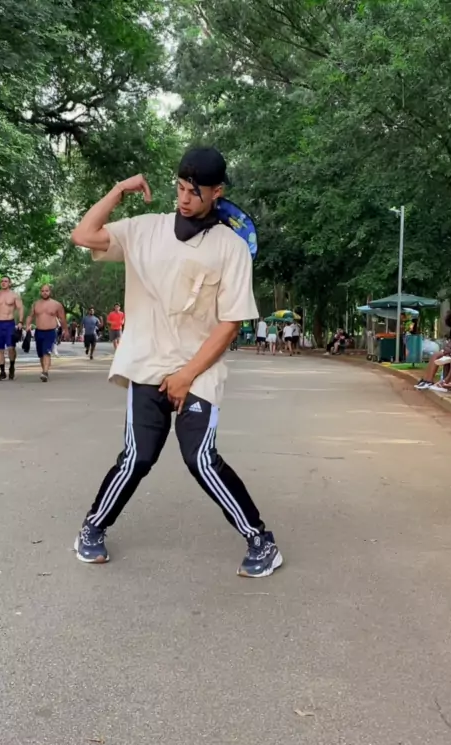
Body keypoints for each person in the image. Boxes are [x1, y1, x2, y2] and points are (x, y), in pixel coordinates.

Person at [70, 147, 282, 578]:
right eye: (180, 188)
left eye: (194, 191)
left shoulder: (231, 247)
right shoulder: (145, 229)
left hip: (198, 369)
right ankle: (93, 527)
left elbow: (230, 324)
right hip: (147, 365)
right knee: (138, 458)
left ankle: (261, 540)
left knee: (200, 458)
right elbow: (84, 235)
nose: (184, 198)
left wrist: (187, 375)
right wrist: (119, 189)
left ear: (216, 192)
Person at [26, 284, 69, 382]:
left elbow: (62, 319)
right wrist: (27, 325)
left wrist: (66, 330)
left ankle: (45, 372)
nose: (44, 293)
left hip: (50, 331)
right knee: (41, 354)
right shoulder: (36, 304)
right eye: (42, 291)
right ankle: (44, 370)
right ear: (40, 292)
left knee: (46, 351)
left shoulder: (56, 304)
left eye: (46, 291)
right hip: (39, 331)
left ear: (50, 292)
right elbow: (30, 316)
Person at [415, 313, 451, 390]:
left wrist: (450, 348)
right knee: (434, 355)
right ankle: (426, 379)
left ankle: (429, 381)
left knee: (438, 356)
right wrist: (447, 348)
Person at [0, 275, 24, 381]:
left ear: (9, 283)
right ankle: (2, 371)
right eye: (2, 281)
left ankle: (12, 366)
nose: (3, 282)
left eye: (6, 281)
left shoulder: (14, 295)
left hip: (9, 323)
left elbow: (20, 308)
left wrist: (20, 322)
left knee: (11, 348)